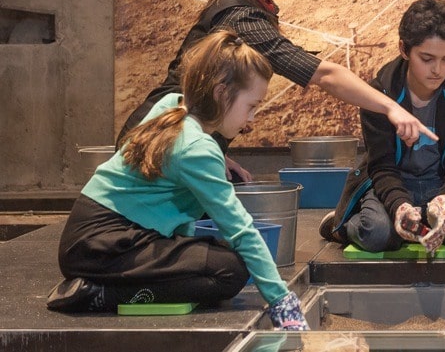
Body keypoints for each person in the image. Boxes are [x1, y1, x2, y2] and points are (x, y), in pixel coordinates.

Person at [116, 0, 433, 182]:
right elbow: (324, 74)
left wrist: (216, 152)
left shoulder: (238, 9)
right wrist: (392, 108)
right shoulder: (241, 20)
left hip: (173, 139)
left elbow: (202, 96)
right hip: (158, 143)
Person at [47, 29, 308, 330]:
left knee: (220, 256)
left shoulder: (173, 105)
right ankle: (100, 294)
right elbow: (240, 229)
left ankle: (104, 286)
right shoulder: (197, 148)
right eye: (251, 106)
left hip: (88, 235)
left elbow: (176, 183)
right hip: (103, 244)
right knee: (230, 271)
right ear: (222, 93)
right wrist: (281, 301)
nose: (252, 118)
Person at [319, 0, 445, 254]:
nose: (437, 70)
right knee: (376, 233)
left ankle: (419, 227)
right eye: (427, 58)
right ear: (404, 49)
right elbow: (382, 167)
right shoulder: (379, 94)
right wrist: (400, 206)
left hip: (441, 182)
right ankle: (340, 225)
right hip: (393, 181)